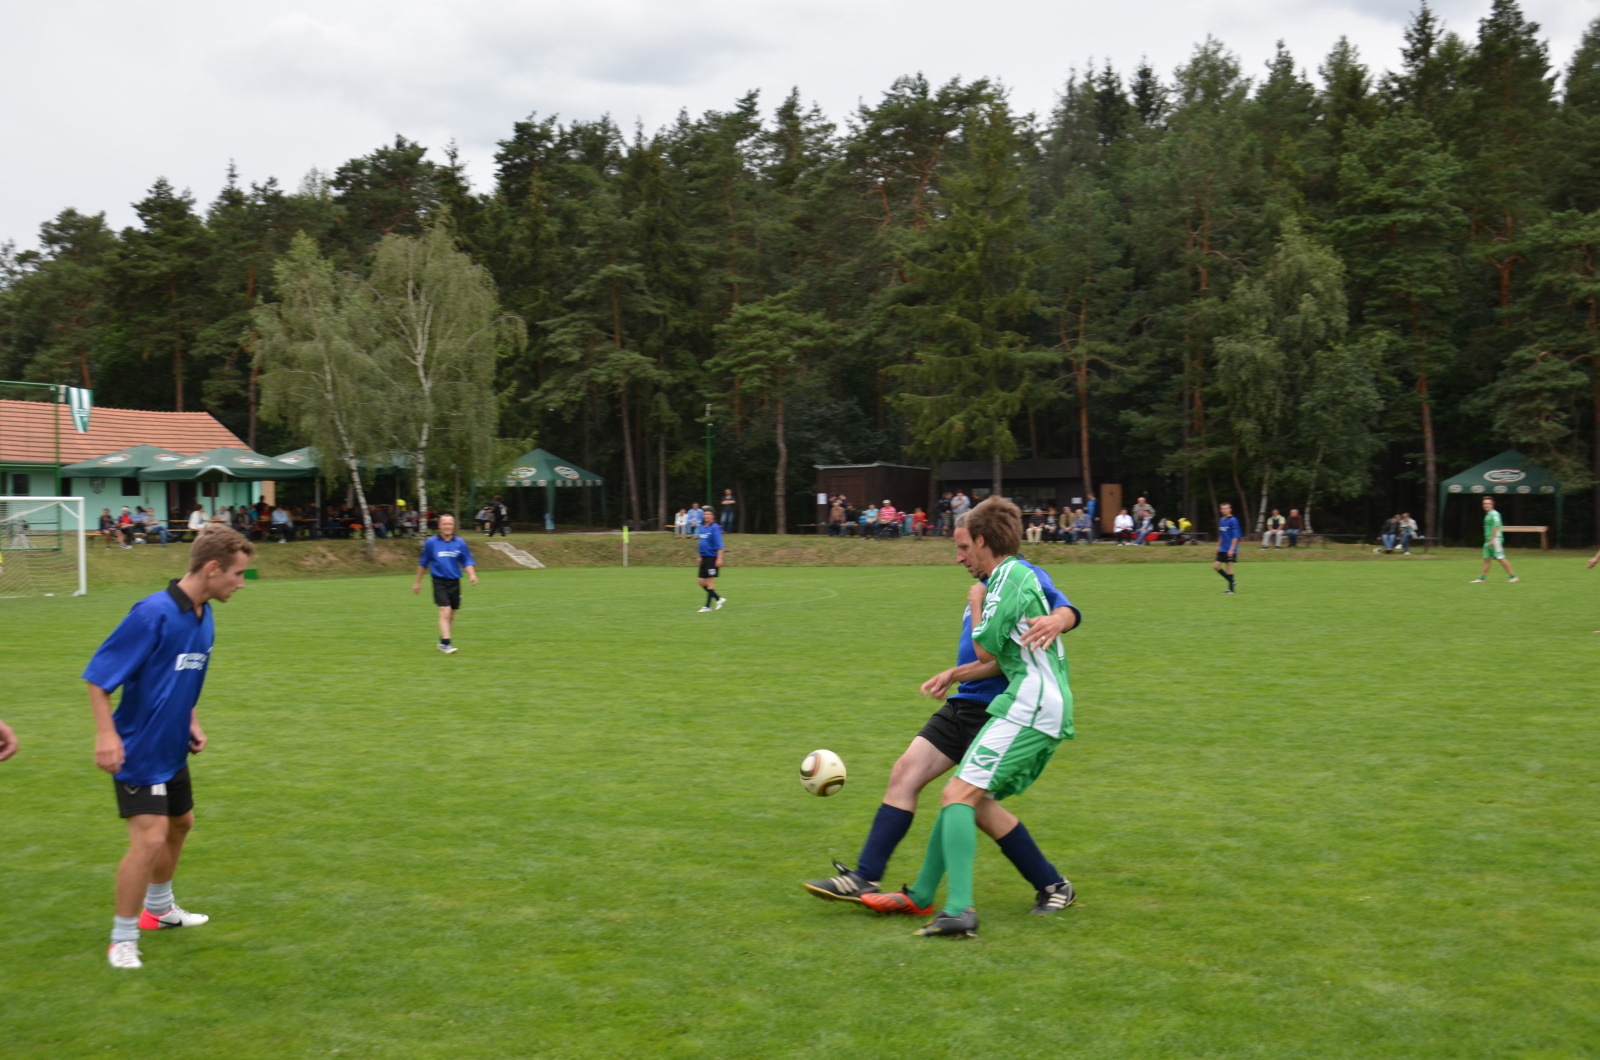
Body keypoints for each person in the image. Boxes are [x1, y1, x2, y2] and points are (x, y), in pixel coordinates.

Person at [804, 508, 1080, 918]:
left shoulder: (1021, 576)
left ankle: (1044, 885)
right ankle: (866, 876)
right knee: (906, 772)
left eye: (964, 547)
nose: (959, 557)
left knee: (972, 803)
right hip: (965, 701)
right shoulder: (988, 584)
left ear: (983, 541)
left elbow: (1064, 610)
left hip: (1002, 708)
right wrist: (954, 673)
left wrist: (1058, 620)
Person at [85, 524, 256, 970]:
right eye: (238, 574)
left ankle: (158, 910)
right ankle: (122, 939)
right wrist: (106, 735)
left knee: (181, 823)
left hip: (172, 747)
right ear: (213, 568)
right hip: (138, 749)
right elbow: (98, 678)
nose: (241, 583)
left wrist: (192, 720)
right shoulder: (152, 613)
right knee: (150, 838)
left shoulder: (204, 616)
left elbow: (182, 676)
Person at [412, 514, 478, 653]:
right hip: (439, 581)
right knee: (445, 611)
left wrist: (472, 574)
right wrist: (417, 582)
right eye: (445, 524)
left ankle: (442, 641)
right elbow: (423, 563)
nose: (447, 526)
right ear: (439, 526)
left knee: (452, 613)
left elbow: (466, 561)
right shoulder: (431, 543)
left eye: (450, 524)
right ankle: (447, 644)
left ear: (453, 526)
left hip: (454, 581)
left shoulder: (460, 543)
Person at [1471, 496, 1518, 584]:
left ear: (1493, 505)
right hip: (1488, 540)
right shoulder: (1488, 515)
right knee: (1487, 559)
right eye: (1485, 503)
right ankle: (1482, 579)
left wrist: (1493, 539)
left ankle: (1513, 577)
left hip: (1495, 540)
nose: (1486, 505)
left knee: (1501, 558)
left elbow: (1496, 525)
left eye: (1488, 503)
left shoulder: (1495, 514)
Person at [695, 507, 726, 612]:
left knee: (710, 582)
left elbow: (719, 545)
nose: (706, 516)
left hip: (712, 558)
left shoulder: (715, 528)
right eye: (705, 514)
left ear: (713, 516)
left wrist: (719, 558)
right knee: (700, 581)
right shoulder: (702, 527)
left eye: (709, 514)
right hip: (704, 558)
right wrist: (700, 556)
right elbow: (701, 543)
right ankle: (718, 599)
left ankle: (707, 606)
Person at [1214, 502, 1241, 593]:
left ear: (1230, 509)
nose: (1224, 510)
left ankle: (1231, 590)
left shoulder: (1233, 520)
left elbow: (1236, 536)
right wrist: (1218, 545)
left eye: (1226, 508)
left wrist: (1232, 549)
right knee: (1216, 566)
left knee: (1229, 566)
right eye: (1222, 508)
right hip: (1223, 548)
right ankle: (1232, 581)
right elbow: (1221, 534)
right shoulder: (1221, 520)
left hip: (1230, 548)